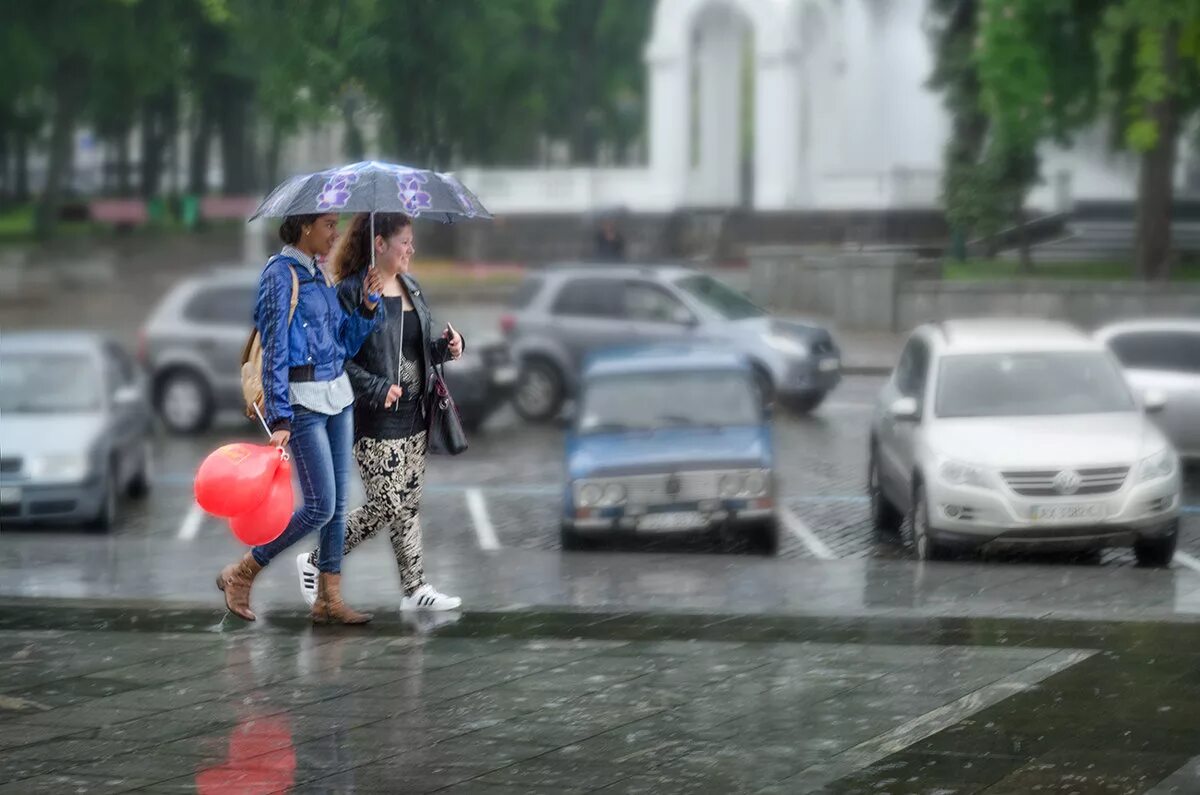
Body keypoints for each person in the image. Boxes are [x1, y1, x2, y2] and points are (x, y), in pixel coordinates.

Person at [216, 212, 384, 624]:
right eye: (329, 225)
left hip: (337, 397)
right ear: (306, 227)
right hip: (302, 402)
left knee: (338, 504)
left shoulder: (322, 276)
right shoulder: (280, 275)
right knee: (320, 505)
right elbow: (273, 350)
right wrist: (280, 419)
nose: (336, 234)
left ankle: (329, 599)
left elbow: (343, 344)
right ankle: (243, 571)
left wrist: (366, 305)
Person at [295, 212, 465, 612]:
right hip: (375, 420)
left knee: (408, 505)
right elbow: (336, 359)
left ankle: (415, 589)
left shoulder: (411, 287)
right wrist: (375, 388)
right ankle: (318, 560)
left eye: (411, 242)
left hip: (415, 416)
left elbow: (414, 351)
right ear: (380, 243)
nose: (412, 249)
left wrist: (450, 347)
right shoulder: (352, 291)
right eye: (405, 241)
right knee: (387, 503)